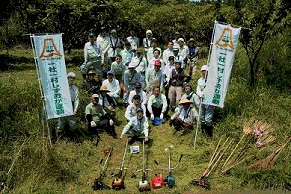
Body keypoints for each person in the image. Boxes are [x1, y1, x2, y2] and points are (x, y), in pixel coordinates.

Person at [57, 72, 79, 138]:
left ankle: (72, 138)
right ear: (67, 78)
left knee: (72, 123)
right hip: (62, 105)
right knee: (61, 123)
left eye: (73, 78)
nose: (72, 79)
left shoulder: (75, 89)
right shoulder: (61, 87)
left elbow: (76, 100)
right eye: (70, 78)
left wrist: (75, 109)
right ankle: (60, 137)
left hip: (71, 106)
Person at [196, 65, 214, 138]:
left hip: (209, 101)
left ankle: (209, 135)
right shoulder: (200, 80)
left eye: (205, 71)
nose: (203, 73)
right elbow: (198, 89)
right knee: (201, 117)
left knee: (208, 118)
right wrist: (200, 94)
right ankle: (202, 133)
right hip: (201, 100)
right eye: (202, 71)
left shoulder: (212, 81)